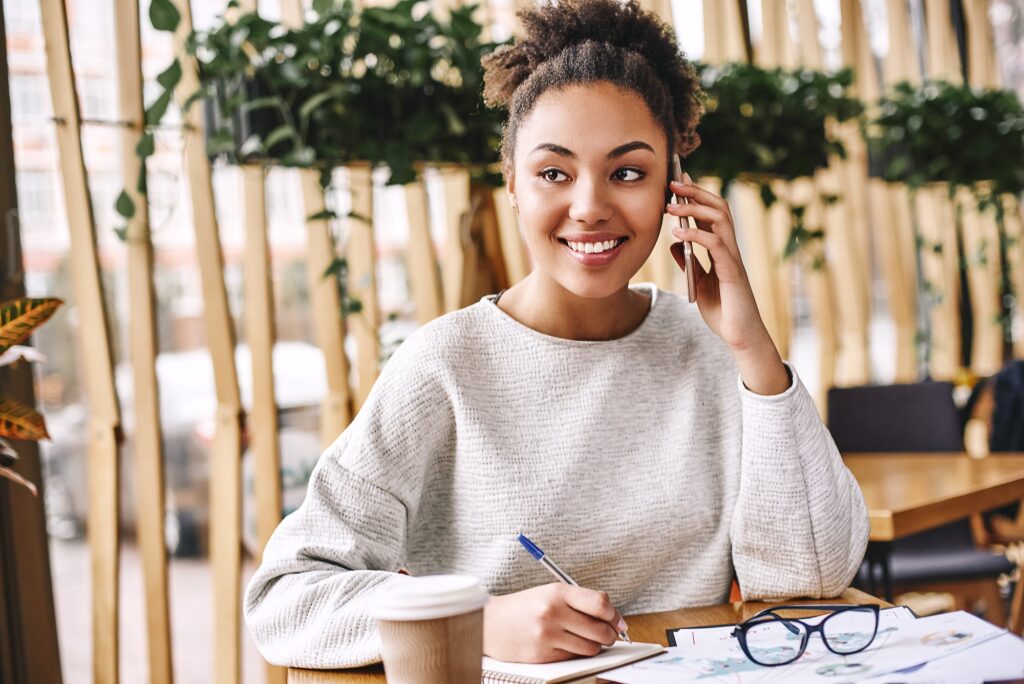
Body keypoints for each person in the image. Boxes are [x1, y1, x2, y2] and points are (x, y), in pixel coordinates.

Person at [244, 0, 869, 668]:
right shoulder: (444, 367)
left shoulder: (717, 356)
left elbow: (812, 579)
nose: (590, 206)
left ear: (674, 190)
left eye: (628, 172)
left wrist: (753, 351)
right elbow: (286, 598)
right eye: (553, 173)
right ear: (512, 182)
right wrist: (474, 621)